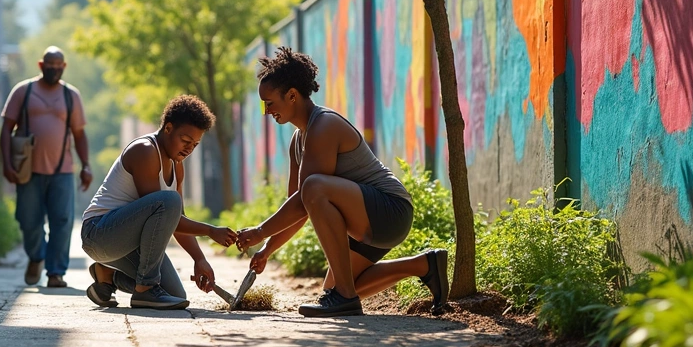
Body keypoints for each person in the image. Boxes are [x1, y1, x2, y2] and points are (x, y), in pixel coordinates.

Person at [235, 47, 449, 317]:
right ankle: (424, 265)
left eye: (269, 103)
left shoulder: (324, 126)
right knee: (335, 287)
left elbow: (306, 197)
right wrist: (267, 249)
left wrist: (260, 231)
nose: (267, 111)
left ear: (292, 95)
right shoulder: (298, 141)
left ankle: (346, 298)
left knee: (313, 186)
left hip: (390, 211)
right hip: (365, 222)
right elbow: (299, 209)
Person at [81, 95, 238, 310]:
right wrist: (210, 231)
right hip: (99, 234)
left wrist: (199, 259)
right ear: (168, 128)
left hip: (127, 243)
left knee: (174, 295)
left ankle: (108, 276)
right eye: (185, 141)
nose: (189, 149)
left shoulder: (177, 165)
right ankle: (145, 289)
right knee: (169, 201)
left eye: (195, 144)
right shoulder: (145, 150)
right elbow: (167, 210)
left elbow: (175, 219)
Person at [0, 47, 92, 288]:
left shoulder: (71, 95)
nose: (54, 70)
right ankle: (37, 256)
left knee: (62, 221)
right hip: (27, 169)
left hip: (63, 170)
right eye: (50, 66)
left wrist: (86, 166)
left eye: (59, 66)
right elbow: (6, 129)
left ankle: (55, 273)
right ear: (41, 65)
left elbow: (79, 134)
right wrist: (6, 163)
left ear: (64, 67)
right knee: (28, 220)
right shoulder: (23, 91)